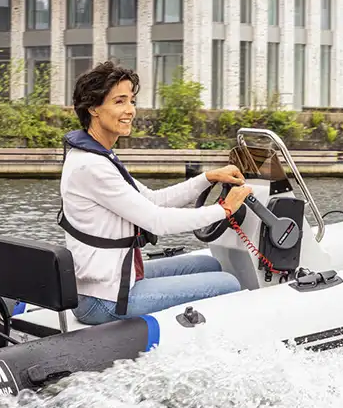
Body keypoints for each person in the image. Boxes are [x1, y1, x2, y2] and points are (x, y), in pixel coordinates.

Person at [59, 62, 249, 325]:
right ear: (93, 108)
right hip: (104, 299)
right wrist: (224, 210)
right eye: (119, 101)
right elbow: (156, 220)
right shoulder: (91, 166)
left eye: (131, 101)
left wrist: (207, 178)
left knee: (210, 266)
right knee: (228, 282)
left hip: (112, 279)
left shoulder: (96, 156)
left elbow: (153, 200)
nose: (130, 111)